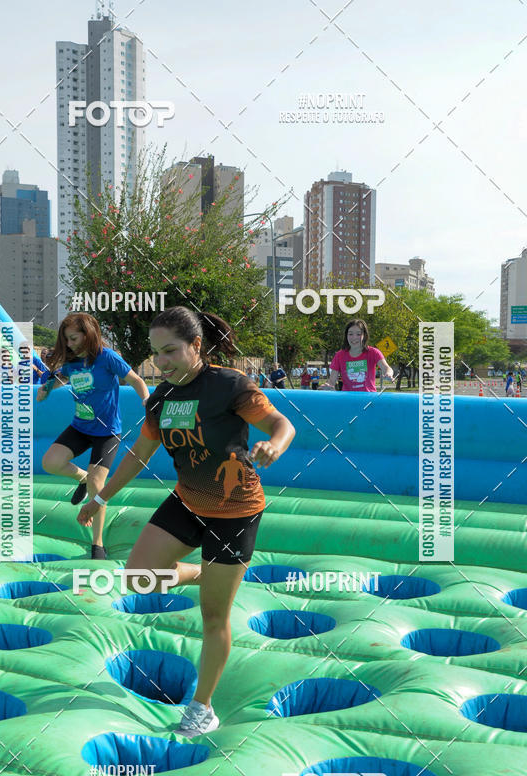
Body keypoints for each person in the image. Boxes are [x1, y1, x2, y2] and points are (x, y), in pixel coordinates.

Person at [77, 306, 296, 737]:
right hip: (188, 501)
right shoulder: (161, 397)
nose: (162, 362)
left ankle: (202, 707)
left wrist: (276, 444)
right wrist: (100, 496)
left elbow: (279, 423)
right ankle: (205, 574)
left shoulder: (229, 385)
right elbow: (140, 454)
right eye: (156, 354)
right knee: (139, 577)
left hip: (235, 511)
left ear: (196, 346)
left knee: (214, 617)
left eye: (171, 351)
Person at [38, 312, 149, 559]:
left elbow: (136, 380)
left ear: (88, 335)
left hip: (106, 432)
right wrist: (45, 389)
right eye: (66, 339)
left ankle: (97, 544)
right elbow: (60, 378)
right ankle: (82, 478)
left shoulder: (107, 358)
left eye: (74, 338)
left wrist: (146, 400)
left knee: (98, 487)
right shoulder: (72, 362)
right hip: (80, 427)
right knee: (50, 462)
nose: (69, 344)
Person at [322, 320, 395, 391]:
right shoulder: (339, 355)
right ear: (346, 335)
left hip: (369, 399)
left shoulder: (374, 353)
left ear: (364, 335)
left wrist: (388, 374)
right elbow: (331, 382)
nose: (354, 337)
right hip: (348, 400)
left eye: (358, 334)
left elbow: (387, 368)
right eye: (350, 334)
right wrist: (328, 386)